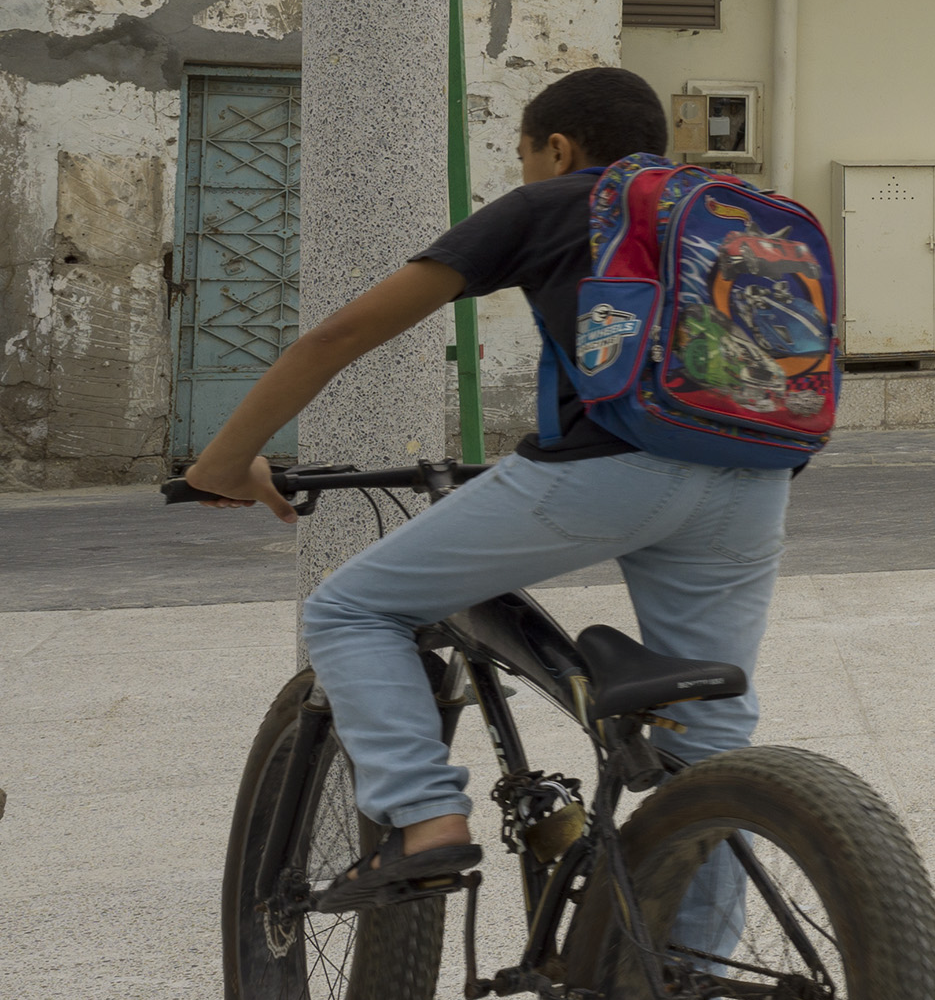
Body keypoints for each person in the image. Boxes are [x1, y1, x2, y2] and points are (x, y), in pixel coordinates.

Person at [180, 66, 789, 916]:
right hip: (755, 478)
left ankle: (427, 819)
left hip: (608, 468)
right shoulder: (726, 208)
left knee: (349, 609)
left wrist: (222, 461)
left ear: (558, 146)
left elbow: (338, 334)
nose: (527, 170)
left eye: (524, 154)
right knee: (711, 743)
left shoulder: (553, 201)